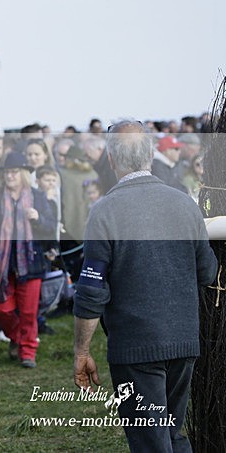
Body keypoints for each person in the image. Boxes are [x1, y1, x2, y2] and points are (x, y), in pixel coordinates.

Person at [73, 120, 217, 452]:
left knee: (152, 443)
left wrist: (82, 351)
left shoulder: (104, 210)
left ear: (111, 160)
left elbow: (91, 292)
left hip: (136, 347)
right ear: (150, 154)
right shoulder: (184, 203)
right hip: (183, 342)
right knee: (173, 435)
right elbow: (207, 271)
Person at [0, 152, 57, 368]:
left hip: (30, 261)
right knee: (2, 307)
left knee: (29, 312)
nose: (10, 176)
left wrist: (38, 218)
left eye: (14, 172)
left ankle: (28, 353)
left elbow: (51, 228)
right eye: (7, 172)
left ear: (23, 174)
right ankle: (20, 339)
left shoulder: (38, 197)